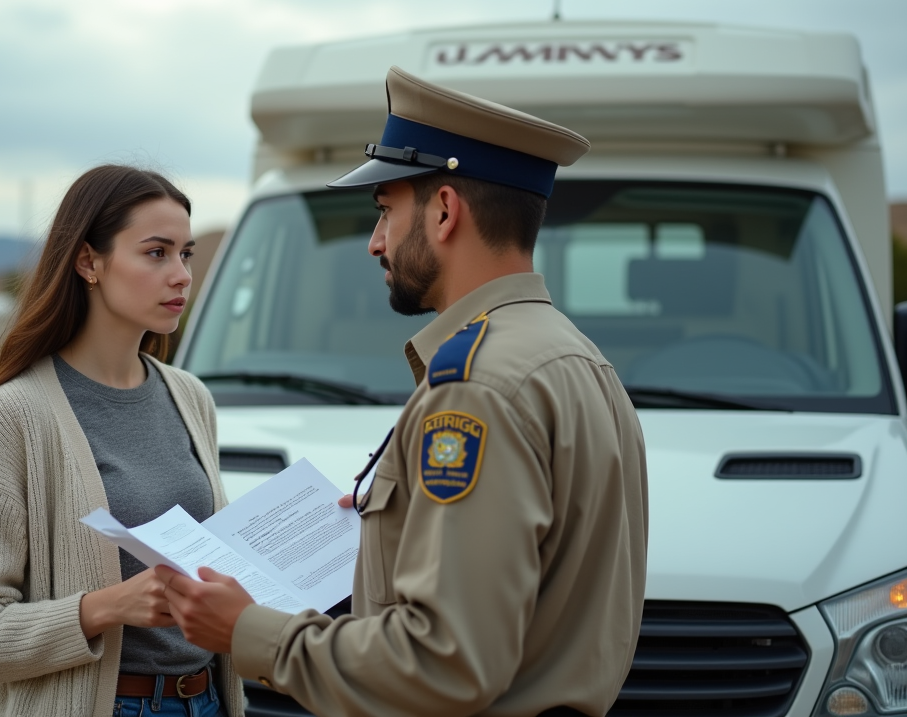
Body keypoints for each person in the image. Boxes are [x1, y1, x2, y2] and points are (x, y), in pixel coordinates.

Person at [157, 67, 649, 716]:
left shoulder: (476, 386)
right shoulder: (577, 359)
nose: (375, 242)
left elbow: (444, 664)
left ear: (444, 211)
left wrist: (251, 631)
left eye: (386, 210)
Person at [0, 165, 245, 717]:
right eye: (156, 253)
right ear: (88, 262)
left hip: (209, 701)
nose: (181, 276)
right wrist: (104, 608)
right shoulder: (15, 415)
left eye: (186, 254)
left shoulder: (192, 398)